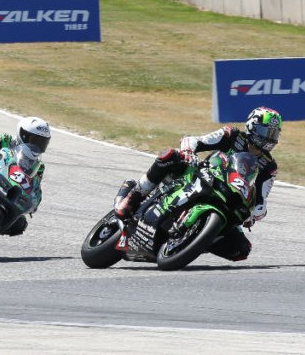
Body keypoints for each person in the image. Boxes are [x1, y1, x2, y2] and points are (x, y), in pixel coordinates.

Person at [114, 106, 282, 262]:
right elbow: (194, 140)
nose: (269, 138)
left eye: (274, 134)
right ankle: (134, 195)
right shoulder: (231, 134)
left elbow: (261, 200)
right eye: (265, 132)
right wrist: (188, 152)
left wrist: (255, 214)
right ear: (252, 127)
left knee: (241, 250)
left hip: (230, 197)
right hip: (204, 175)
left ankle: (194, 239)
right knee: (171, 156)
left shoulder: (269, 167)